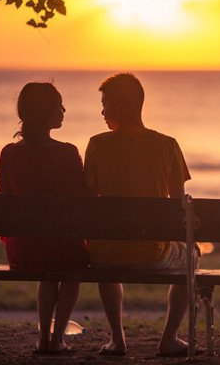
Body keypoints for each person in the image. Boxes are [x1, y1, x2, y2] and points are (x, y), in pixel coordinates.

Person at [84, 73, 195, 357]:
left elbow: (86, 202)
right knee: (191, 255)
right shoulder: (168, 145)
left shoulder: (97, 145)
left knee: (109, 254)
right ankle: (169, 338)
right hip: (152, 254)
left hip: (103, 255)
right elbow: (179, 206)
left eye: (105, 104)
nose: (102, 111)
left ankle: (117, 339)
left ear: (120, 107)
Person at [0, 82, 88, 354]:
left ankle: (42, 339)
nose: (63, 110)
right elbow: (81, 200)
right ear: (45, 112)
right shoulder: (67, 153)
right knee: (71, 272)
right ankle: (56, 338)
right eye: (58, 106)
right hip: (63, 249)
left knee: (48, 266)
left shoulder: (10, 154)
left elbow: (5, 201)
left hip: (24, 251)